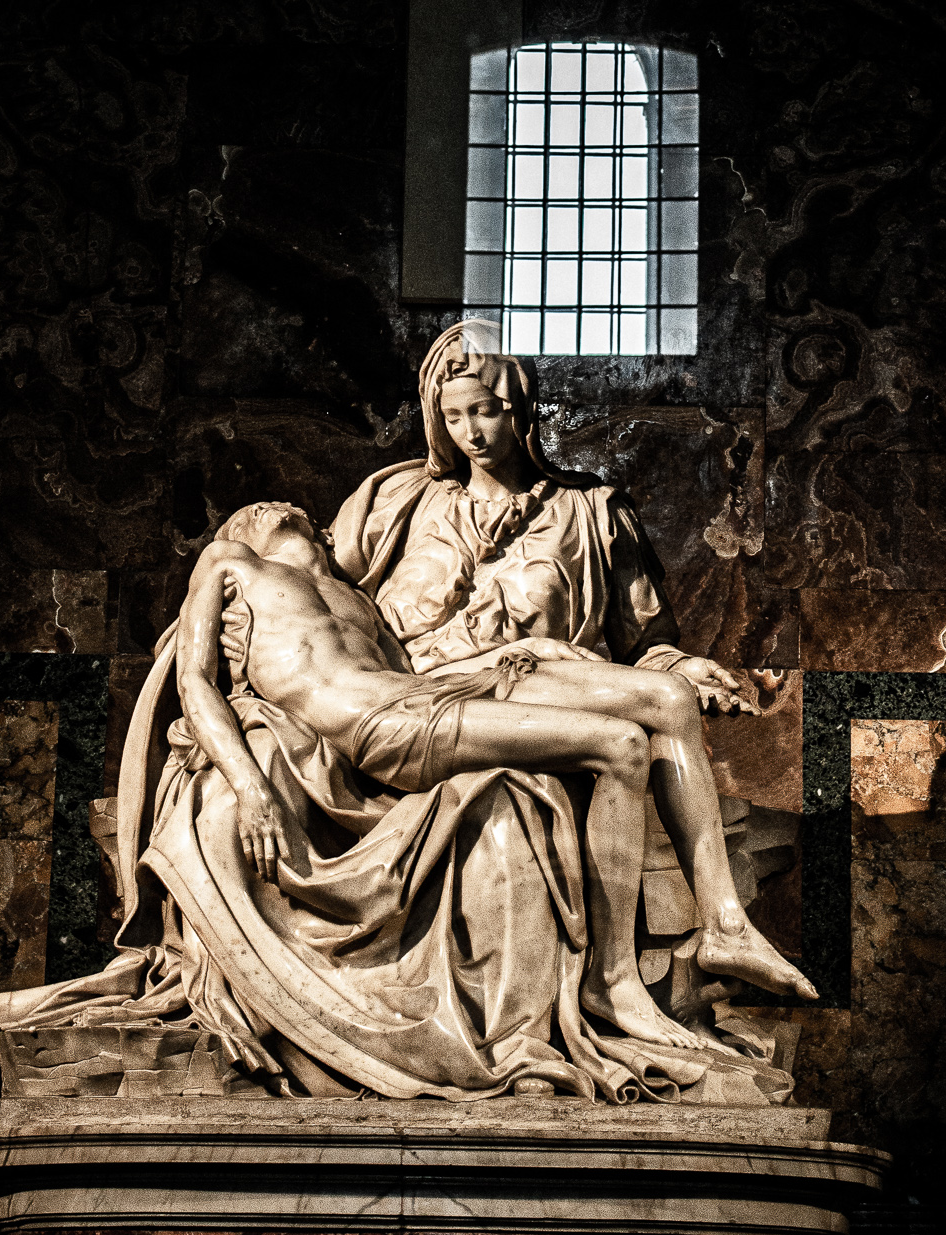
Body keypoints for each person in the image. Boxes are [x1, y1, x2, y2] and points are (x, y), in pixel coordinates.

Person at [177, 500, 810, 1049]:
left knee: (667, 699)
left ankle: (727, 925)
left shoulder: (357, 601)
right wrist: (251, 785)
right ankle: (612, 981)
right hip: (379, 728)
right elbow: (191, 680)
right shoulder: (231, 562)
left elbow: (415, 673)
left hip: (427, 696)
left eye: (288, 511)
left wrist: (530, 650)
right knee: (618, 745)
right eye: (256, 509)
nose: (272, 509)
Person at [331, 320, 816, 1005]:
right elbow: (305, 589)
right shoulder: (393, 502)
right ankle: (715, 930)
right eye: (454, 415)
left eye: (487, 412)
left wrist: (678, 666)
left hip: (536, 690)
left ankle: (725, 922)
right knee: (652, 710)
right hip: (420, 700)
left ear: (522, 410)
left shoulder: (591, 514)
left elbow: (644, 641)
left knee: (670, 699)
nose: (471, 431)